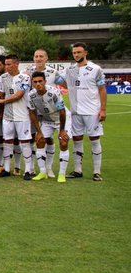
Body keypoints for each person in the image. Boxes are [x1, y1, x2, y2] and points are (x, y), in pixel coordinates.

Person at [55, 42, 106, 181]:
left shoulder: (96, 69)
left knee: (94, 139)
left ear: (85, 53)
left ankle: (96, 172)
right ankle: (78, 170)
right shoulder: (70, 70)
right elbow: (58, 80)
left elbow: (102, 89)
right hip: (75, 112)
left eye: (79, 52)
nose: (76, 55)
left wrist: (103, 109)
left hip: (92, 111)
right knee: (77, 139)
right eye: (74, 53)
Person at [0, 54, 34, 180]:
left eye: (9, 64)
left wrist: (3, 101)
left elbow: (19, 95)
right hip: (7, 116)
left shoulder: (25, 77)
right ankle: (6, 169)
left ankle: (28, 170)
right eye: (5, 64)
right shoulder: (3, 77)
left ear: (17, 64)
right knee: (7, 141)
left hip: (22, 115)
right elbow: (1, 94)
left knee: (24, 142)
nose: (6, 67)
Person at [28, 72, 70, 183]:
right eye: (35, 82)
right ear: (32, 83)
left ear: (45, 82)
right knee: (40, 141)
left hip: (62, 119)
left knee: (64, 142)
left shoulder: (54, 92)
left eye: (40, 81)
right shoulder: (31, 95)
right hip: (47, 120)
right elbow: (32, 113)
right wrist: (39, 132)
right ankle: (42, 172)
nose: (38, 84)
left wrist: (62, 131)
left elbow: (62, 111)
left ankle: (62, 174)